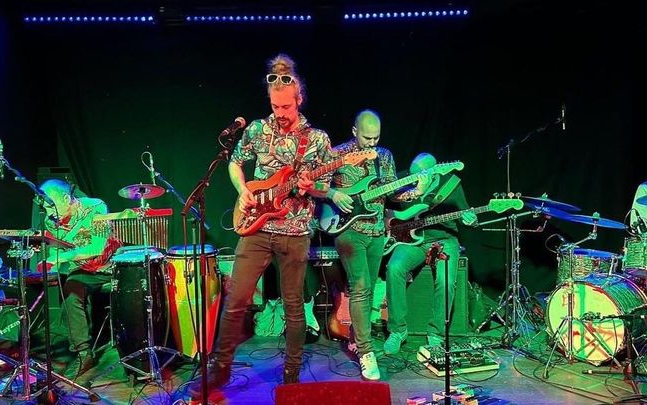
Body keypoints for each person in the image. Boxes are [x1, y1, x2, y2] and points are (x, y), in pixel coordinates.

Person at [189, 54, 333, 399]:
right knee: (236, 300)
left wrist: (310, 186)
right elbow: (235, 163)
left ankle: (291, 376)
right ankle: (220, 370)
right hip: (256, 228)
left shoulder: (317, 139)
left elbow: (326, 186)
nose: (280, 113)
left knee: (294, 306)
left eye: (286, 106)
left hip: (295, 233)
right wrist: (243, 191)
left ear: (299, 99)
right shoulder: (257, 129)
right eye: (275, 106)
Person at [326, 110, 426, 380]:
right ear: (354, 131)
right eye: (367, 137)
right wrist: (334, 194)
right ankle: (366, 352)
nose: (371, 142)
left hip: (376, 230)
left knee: (368, 289)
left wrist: (415, 191)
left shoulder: (384, 156)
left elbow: (391, 192)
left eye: (376, 137)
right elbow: (314, 186)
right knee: (360, 288)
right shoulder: (336, 154)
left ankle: (356, 336)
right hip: (348, 230)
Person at [382, 153, 477, 355]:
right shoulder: (405, 179)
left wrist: (471, 219)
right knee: (394, 268)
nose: (413, 178)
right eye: (412, 173)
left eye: (419, 175)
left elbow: (465, 212)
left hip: (444, 239)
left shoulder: (451, 184)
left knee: (446, 281)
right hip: (410, 240)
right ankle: (398, 331)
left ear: (433, 173)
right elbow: (386, 199)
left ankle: (436, 333)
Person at [39, 178, 121, 380]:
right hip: (83, 271)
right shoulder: (51, 221)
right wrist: (51, 262)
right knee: (70, 291)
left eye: (51, 205)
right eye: (45, 207)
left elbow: (97, 248)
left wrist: (60, 258)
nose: (48, 212)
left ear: (66, 198)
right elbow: (58, 250)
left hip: (110, 266)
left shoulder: (95, 207)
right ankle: (84, 354)